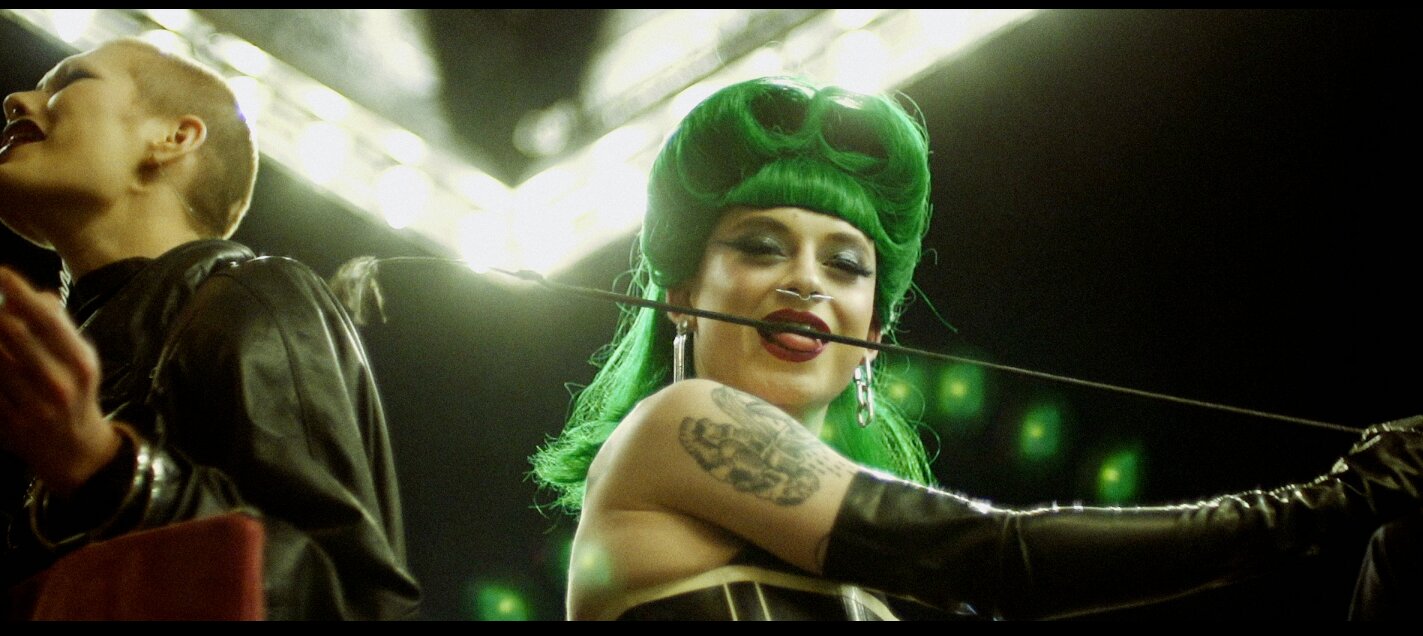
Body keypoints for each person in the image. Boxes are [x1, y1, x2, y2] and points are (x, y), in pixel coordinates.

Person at [529, 76, 1423, 620]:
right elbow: (1002, 559)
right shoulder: (675, 428)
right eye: (760, 247)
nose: (804, 281)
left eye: (844, 264)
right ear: (682, 299)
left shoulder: (881, 580)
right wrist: (1333, 503)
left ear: (872, 336)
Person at [0, 37, 420, 619]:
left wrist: (109, 473)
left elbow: (352, 600)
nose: (16, 101)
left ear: (174, 138)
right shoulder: (58, 363)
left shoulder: (253, 295)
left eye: (71, 81)